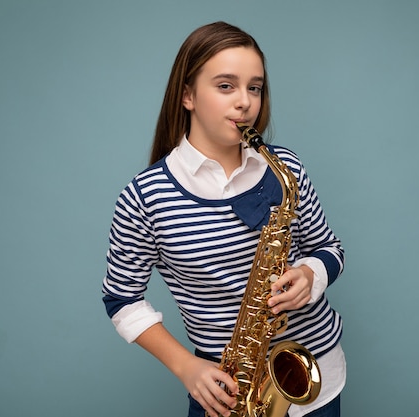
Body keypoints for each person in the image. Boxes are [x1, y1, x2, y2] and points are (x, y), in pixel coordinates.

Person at [102, 21, 345, 417]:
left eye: (255, 87)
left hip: (314, 373)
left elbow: (328, 248)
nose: (245, 102)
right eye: (226, 85)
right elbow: (122, 299)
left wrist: (311, 275)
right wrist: (186, 367)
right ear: (187, 95)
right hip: (227, 392)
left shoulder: (285, 168)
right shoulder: (145, 196)